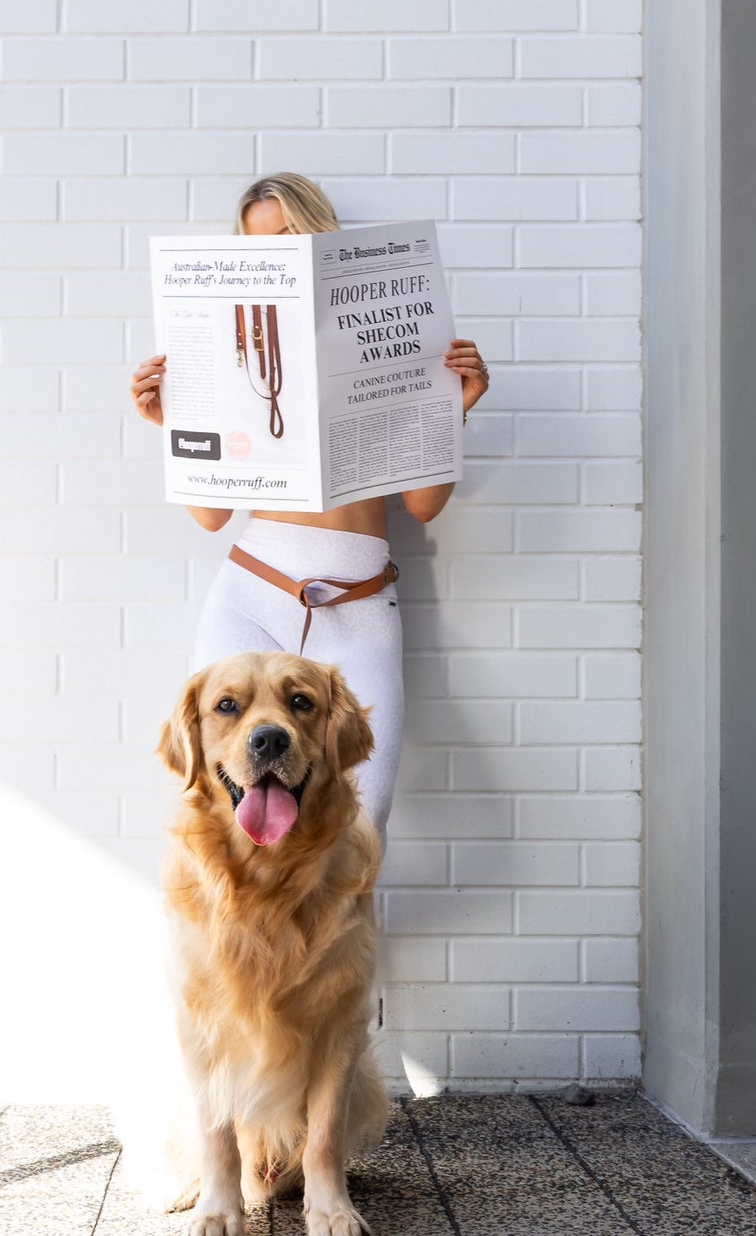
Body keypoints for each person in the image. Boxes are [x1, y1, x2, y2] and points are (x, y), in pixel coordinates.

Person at [130, 173, 489, 845]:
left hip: (358, 603)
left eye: (290, 236)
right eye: (260, 245)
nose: (278, 254)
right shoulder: (233, 352)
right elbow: (211, 517)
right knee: (222, 809)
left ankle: (335, 953)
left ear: (319, 237)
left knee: (363, 825)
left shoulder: (392, 341)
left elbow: (422, 506)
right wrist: (170, 423)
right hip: (251, 591)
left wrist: (454, 408)